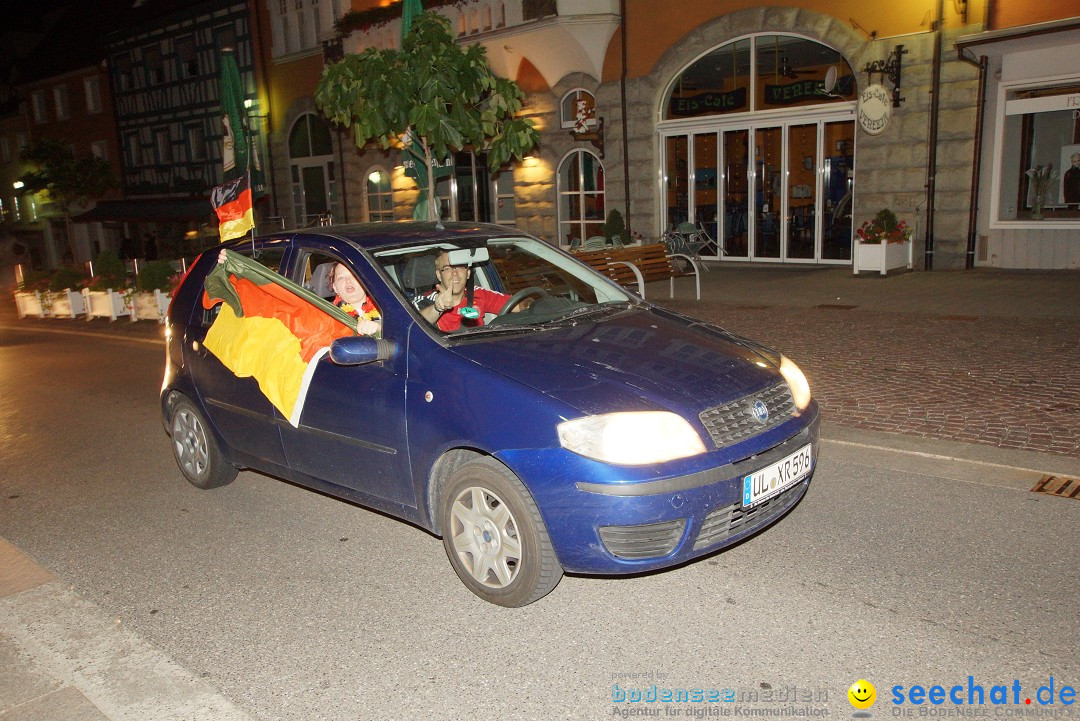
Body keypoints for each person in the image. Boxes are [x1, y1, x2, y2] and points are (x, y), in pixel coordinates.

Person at [415, 250, 512, 332]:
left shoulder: (478, 293)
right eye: (447, 268)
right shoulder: (424, 300)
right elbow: (414, 324)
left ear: (468, 273)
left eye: (460, 267)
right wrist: (438, 308)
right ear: (439, 275)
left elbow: (518, 304)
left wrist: (527, 304)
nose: (455, 274)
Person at [329, 262, 381, 336]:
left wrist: (379, 327)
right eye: (341, 277)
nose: (348, 281)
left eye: (354, 275)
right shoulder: (328, 317)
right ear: (335, 287)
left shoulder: (385, 306)